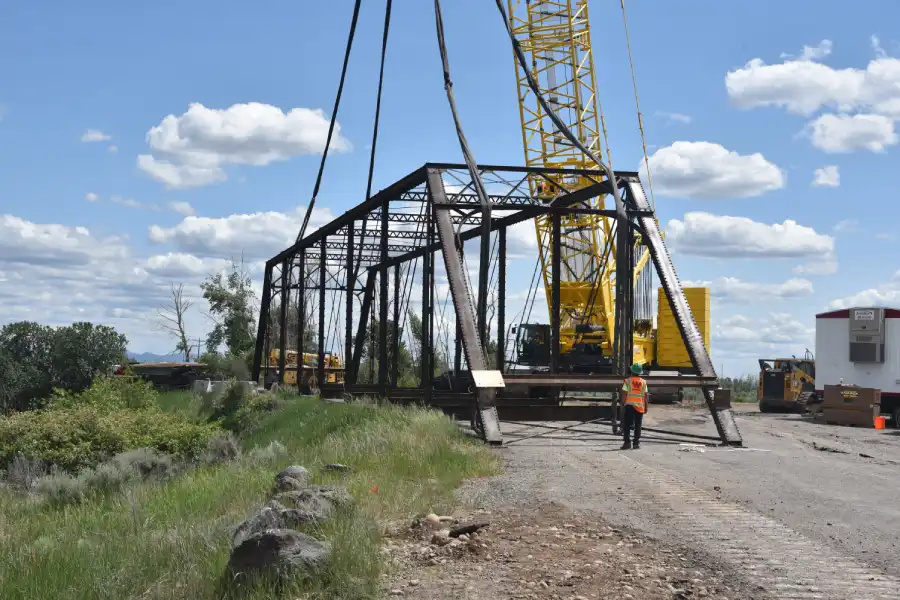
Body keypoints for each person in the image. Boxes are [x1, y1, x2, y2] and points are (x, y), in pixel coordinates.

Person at [620, 362, 649, 450]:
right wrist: (646, 407)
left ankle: (627, 443)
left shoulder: (627, 381)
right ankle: (636, 443)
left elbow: (624, 393)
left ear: (631, 371)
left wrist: (622, 404)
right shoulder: (643, 382)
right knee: (638, 425)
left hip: (629, 406)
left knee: (627, 425)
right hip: (640, 407)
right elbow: (646, 396)